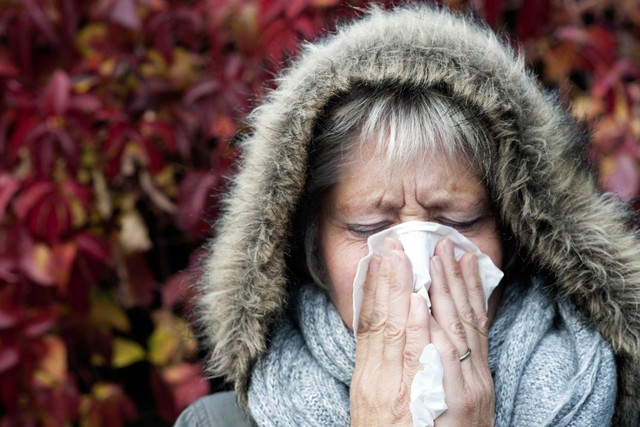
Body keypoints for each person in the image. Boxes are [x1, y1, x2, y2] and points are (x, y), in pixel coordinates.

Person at [175, 4, 640, 426]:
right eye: (369, 227)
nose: (416, 264)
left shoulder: (612, 405)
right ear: (313, 250)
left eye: (458, 221)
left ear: (517, 235)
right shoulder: (217, 424)